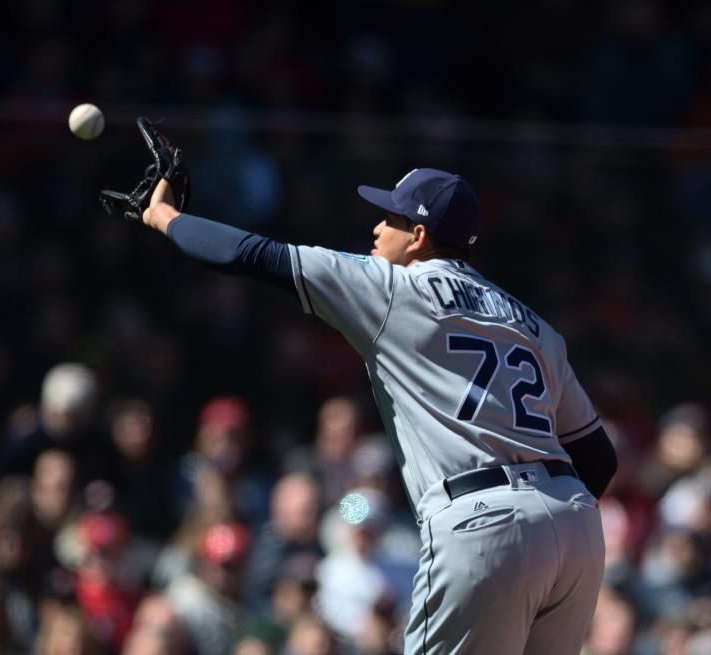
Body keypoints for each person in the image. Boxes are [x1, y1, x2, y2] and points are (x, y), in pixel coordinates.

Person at [129, 165, 618, 654]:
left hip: (482, 520)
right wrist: (544, 512)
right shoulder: (533, 325)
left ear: (419, 236)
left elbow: (251, 254)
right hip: (574, 524)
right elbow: (599, 460)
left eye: (391, 218)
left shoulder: (392, 288)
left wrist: (165, 216)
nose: (377, 228)